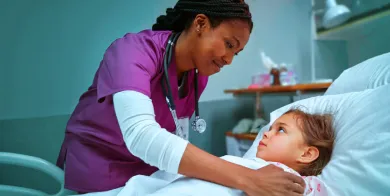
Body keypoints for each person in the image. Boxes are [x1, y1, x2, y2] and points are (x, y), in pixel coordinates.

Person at [56, 0, 306, 195]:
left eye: (236, 53)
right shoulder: (132, 52)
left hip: (146, 172)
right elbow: (142, 136)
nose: (229, 60)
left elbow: (178, 138)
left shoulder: (198, 75)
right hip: (98, 166)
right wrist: (247, 178)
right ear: (200, 23)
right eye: (229, 44)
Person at [111, 108, 335, 196]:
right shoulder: (249, 165)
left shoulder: (296, 183)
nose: (265, 134)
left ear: (307, 154)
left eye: (281, 130)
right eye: (269, 128)